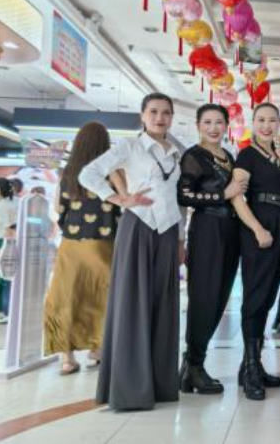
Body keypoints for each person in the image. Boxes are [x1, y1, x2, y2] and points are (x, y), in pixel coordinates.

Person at [79, 93, 185, 411]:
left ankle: (161, 385)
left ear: (172, 117)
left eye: (166, 112)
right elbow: (88, 174)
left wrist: (181, 239)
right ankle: (130, 390)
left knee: (164, 304)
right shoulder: (129, 146)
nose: (160, 118)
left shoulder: (177, 152)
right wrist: (119, 199)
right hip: (138, 227)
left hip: (169, 232)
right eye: (153, 112)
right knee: (132, 303)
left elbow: (176, 199)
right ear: (142, 115)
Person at [177, 104, 246, 394]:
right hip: (207, 230)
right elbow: (184, 195)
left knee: (219, 299)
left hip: (231, 232)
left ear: (227, 125)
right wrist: (222, 194)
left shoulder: (228, 156)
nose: (213, 128)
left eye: (219, 122)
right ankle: (194, 366)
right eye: (207, 122)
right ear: (198, 125)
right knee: (203, 299)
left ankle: (191, 367)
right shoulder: (193, 156)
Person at [44, 122, 120, 375]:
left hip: (72, 245)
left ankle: (67, 358)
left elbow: (58, 208)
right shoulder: (110, 171)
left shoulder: (68, 174)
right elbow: (121, 208)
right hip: (104, 244)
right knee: (101, 296)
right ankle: (97, 349)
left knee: (66, 297)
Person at [232, 103, 280, 401]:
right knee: (255, 297)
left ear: (279, 124)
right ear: (253, 123)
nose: (267, 125)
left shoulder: (277, 156)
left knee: (267, 297)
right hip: (260, 227)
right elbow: (237, 197)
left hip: (279, 226)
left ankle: (249, 365)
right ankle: (252, 369)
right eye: (261, 120)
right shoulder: (247, 154)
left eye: (272, 120)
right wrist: (257, 229)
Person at [0, 178, 18, 324]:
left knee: (3, 279)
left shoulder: (3, 205)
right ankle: (7, 311)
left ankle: (3, 311)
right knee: (9, 278)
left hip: (3, 241)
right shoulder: (18, 201)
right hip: (17, 242)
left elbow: (8, 227)